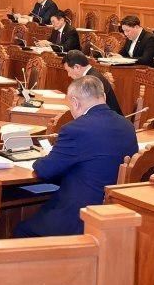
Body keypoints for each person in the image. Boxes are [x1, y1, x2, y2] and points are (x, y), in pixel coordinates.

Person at [13, 75, 138, 238]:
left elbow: (45, 170)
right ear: (104, 97)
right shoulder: (127, 125)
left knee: (21, 230)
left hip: (80, 216)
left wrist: (42, 158)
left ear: (75, 102)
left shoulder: (75, 129)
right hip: (114, 214)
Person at [62, 50, 122, 114]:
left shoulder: (91, 80)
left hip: (107, 118)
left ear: (77, 67)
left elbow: (89, 108)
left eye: (68, 71)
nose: (68, 75)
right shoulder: (91, 74)